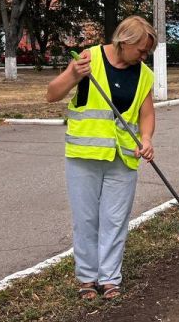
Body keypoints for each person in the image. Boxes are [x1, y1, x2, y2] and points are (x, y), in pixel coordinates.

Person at [46, 16, 158, 301]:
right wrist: (73, 74)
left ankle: (110, 279)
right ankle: (87, 279)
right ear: (124, 42)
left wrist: (146, 140)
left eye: (147, 53)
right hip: (85, 156)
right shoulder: (88, 59)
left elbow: (146, 114)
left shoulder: (144, 73)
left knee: (115, 220)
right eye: (141, 50)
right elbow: (52, 94)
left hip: (123, 159)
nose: (143, 57)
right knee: (86, 220)